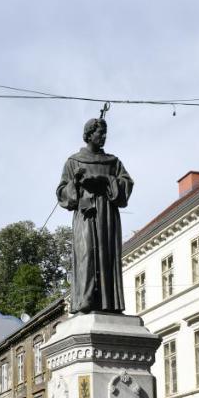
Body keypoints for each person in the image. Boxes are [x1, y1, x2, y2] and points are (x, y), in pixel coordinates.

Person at [55, 115, 133, 314]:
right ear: (89, 135)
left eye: (106, 133)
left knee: (107, 255)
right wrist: (77, 182)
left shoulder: (113, 162)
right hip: (86, 214)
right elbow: (62, 193)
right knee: (87, 254)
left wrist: (106, 181)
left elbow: (126, 185)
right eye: (100, 133)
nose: (104, 137)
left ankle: (109, 303)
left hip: (107, 214)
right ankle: (86, 300)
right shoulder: (73, 162)